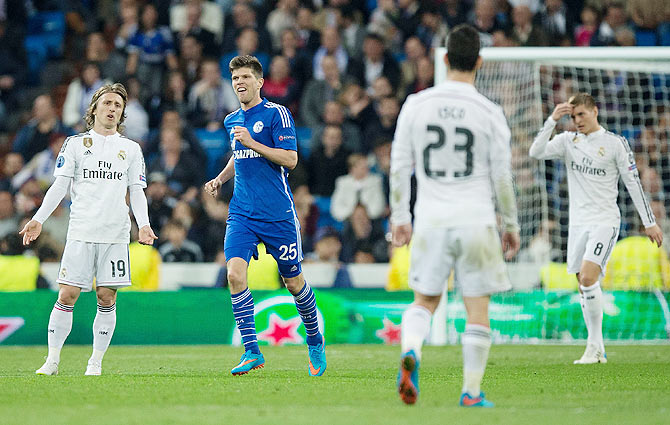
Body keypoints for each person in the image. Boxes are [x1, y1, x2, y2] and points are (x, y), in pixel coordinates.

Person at [390, 24, 520, 407]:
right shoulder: (490, 112)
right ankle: (472, 392)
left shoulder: (416, 105)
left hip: (431, 218)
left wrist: (401, 216)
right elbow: (502, 176)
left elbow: (400, 165)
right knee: (477, 306)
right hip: (476, 218)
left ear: (444, 59)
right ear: (479, 61)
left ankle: (411, 348)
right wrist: (509, 225)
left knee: (424, 301)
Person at [19, 83, 158, 376]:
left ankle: (95, 362)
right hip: (81, 231)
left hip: (116, 234)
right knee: (67, 294)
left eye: (118, 106)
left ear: (122, 114)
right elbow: (60, 186)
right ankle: (52, 360)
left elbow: (137, 190)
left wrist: (143, 225)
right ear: (94, 107)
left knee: (106, 297)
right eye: (107, 103)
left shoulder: (131, 149)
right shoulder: (74, 144)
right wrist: (38, 218)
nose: (112, 109)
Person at [204, 55, 326, 377]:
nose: (239, 83)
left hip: (278, 214)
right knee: (233, 274)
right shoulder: (233, 121)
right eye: (235, 79)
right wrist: (220, 178)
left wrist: (254, 143)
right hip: (242, 213)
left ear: (260, 82)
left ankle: (314, 338)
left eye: (245, 77)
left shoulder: (277, 115)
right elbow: (238, 156)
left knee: (293, 282)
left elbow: (290, 159)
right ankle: (251, 351)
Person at [529, 92, 663, 364]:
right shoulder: (568, 142)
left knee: (589, 278)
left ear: (595, 111)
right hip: (578, 225)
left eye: (582, 114)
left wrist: (649, 222)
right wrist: (552, 120)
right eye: (573, 115)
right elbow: (536, 152)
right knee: (583, 284)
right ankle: (597, 347)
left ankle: (594, 347)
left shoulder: (615, 144)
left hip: (604, 221)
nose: (577, 120)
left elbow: (633, 183)